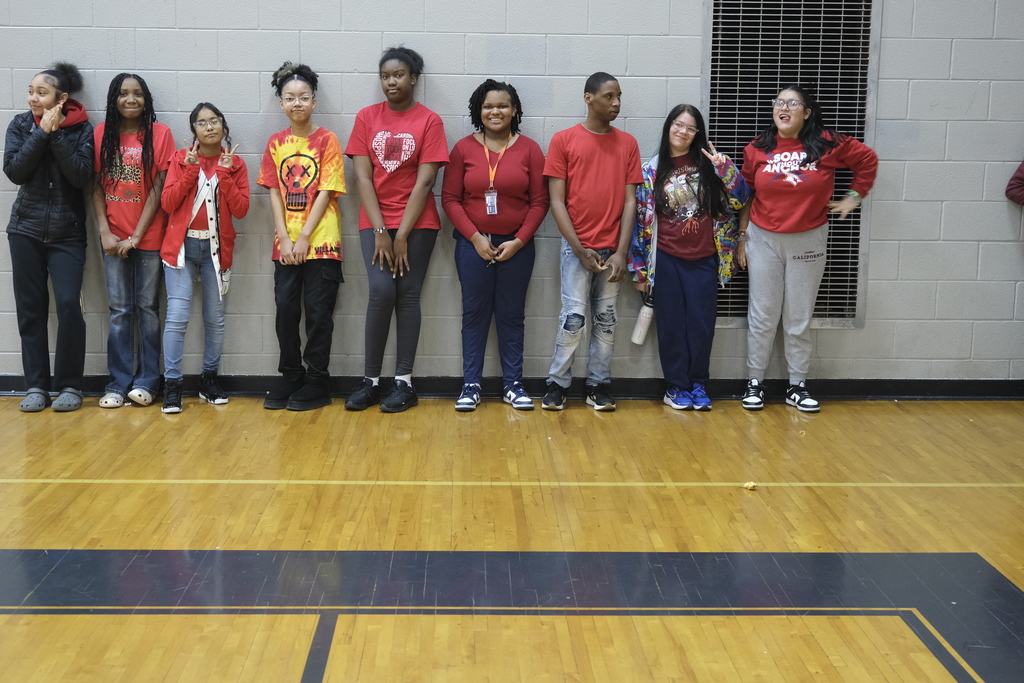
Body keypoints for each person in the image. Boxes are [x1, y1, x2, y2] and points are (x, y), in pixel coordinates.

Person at [737, 85, 877, 412]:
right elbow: (744, 194)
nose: (783, 108)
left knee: (798, 316)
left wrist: (853, 198)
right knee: (763, 314)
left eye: (792, 103)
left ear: (807, 112)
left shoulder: (827, 142)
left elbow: (867, 160)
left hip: (809, 239)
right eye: (779, 102)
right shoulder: (757, 148)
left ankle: (797, 385)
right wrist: (742, 235)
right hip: (763, 239)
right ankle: (754, 382)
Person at [344, 46, 449, 413]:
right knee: (379, 292)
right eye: (386, 76)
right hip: (374, 222)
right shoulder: (366, 117)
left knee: (407, 294)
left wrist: (402, 234)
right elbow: (362, 177)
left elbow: (425, 183)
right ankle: (371, 380)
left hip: (417, 224)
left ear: (414, 78)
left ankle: (403, 382)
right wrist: (381, 230)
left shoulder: (429, 121)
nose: (391, 81)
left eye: (399, 75)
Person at [628, 104, 750, 411]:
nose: (683, 132)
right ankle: (676, 387)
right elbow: (639, 224)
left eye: (690, 128)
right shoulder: (650, 171)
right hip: (666, 259)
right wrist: (639, 270)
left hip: (706, 259)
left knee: (701, 324)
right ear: (669, 127)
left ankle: (698, 384)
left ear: (698, 133)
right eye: (678, 125)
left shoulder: (710, 165)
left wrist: (726, 168)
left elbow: (742, 199)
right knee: (671, 325)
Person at [441, 80, 549, 412]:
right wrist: (475, 238)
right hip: (473, 247)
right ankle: (471, 385)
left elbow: (540, 202)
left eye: (502, 105)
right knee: (474, 314)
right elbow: (450, 199)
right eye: (488, 106)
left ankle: (513, 385)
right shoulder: (462, 149)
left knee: (511, 315)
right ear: (479, 110)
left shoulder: (530, 149)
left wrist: (518, 241)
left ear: (514, 110)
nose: (495, 112)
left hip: (517, 247)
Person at [541, 72, 643, 412]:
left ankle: (598, 384)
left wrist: (621, 252)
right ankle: (557, 383)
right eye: (608, 96)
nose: (616, 103)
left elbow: (631, 201)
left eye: (619, 97)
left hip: (612, 250)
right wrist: (579, 248)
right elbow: (557, 202)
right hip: (577, 249)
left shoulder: (628, 144)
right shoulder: (564, 140)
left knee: (606, 320)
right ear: (588, 98)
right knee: (573, 319)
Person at [4, 62, 93, 412]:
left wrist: (55, 134)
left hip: (67, 234)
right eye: (30, 91)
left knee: (70, 306)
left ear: (62, 97)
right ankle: (36, 387)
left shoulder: (82, 129)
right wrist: (40, 132)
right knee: (31, 310)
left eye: (41, 92)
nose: (32, 98)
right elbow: (15, 171)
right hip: (24, 230)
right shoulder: (21, 124)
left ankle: (70, 385)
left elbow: (80, 176)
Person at [258, 62, 346, 411]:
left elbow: (327, 190)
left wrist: (305, 236)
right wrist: (285, 238)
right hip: (287, 244)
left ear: (314, 101)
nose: (297, 103)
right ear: (281, 103)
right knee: (286, 310)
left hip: (321, 241)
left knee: (318, 313)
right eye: (290, 97)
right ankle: (291, 377)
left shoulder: (328, 140)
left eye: (304, 97)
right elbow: (274, 192)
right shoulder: (276, 142)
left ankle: (317, 382)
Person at [159, 103, 250, 413]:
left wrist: (225, 174)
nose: (209, 126)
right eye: (201, 122)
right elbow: (168, 202)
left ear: (223, 126)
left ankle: (208, 380)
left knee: (215, 319)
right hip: (181, 249)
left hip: (215, 251)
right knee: (177, 316)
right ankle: (172, 385)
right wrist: (188, 169)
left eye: (214, 121)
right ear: (193, 130)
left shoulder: (235, 164)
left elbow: (240, 210)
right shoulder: (180, 159)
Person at [93, 73, 175, 409]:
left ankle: (147, 381)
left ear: (146, 99)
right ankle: (118, 382)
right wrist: (104, 230)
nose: (131, 100)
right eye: (124, 94)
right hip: (112, 239)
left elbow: (158, 188)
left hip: (149, 238)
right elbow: (96, 186)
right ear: (114, 99)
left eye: (137, 94)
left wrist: (136, 236)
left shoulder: (160, 134)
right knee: (119, 310)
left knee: (148, 309)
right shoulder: (102, 134)